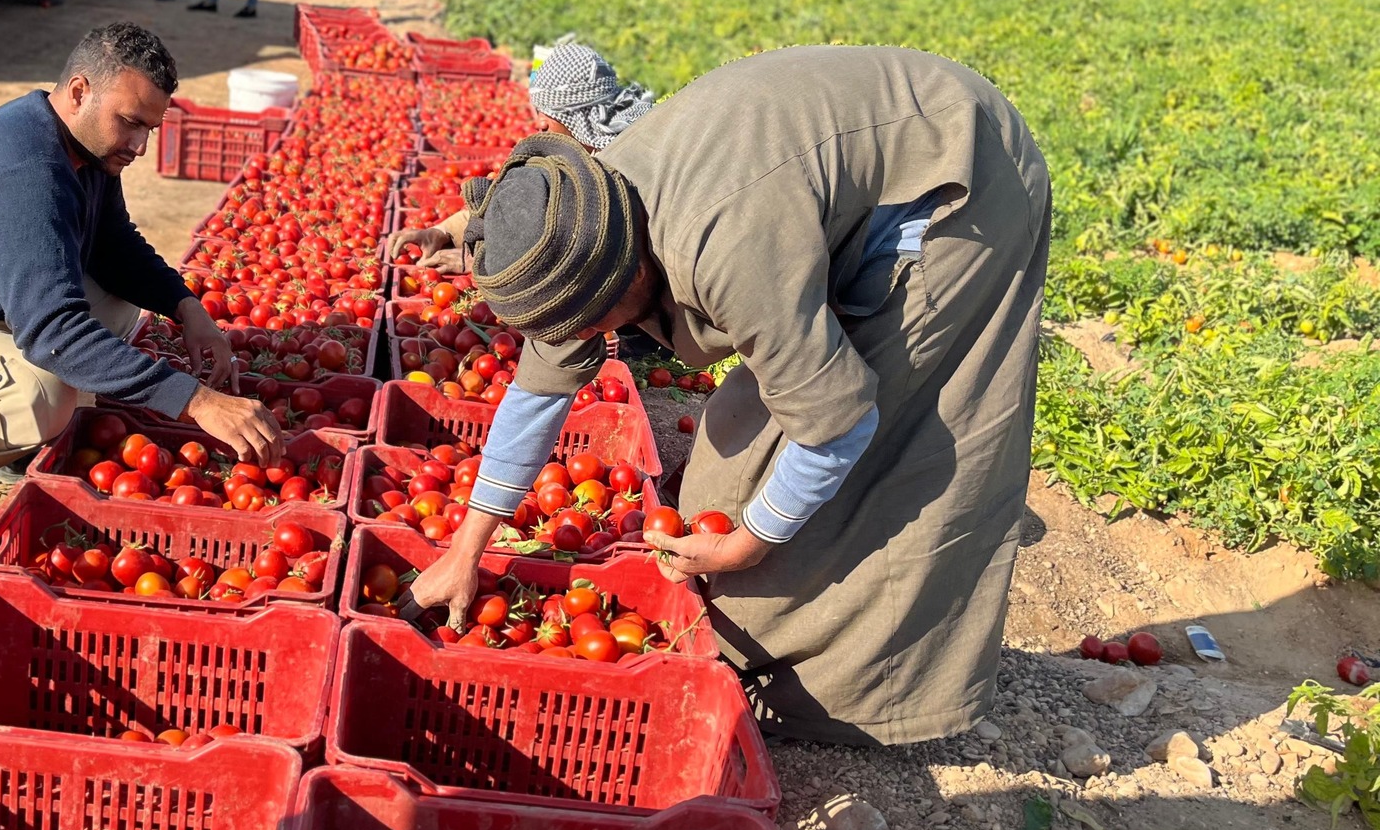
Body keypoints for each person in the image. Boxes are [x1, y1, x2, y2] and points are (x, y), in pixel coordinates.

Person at [406, 45, 1051, 747]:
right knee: (741, 459)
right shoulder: (587, 224)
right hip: (821, 170)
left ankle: (873, 697)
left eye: (597, 328)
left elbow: (839, 423)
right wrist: (469, 548)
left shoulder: (724, 250)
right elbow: (538, 394)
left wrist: (752, 542)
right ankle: (772, 635)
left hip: (957, 176)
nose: (587, 342)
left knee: (885, 439)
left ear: (625, 288)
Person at [0, 22, 283, 551]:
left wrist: (187, 308)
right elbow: (51, 332)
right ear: (80, 91)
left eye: (149, 129)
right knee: (46, 390)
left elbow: (114, 246)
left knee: (114, 301)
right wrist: (196, 401)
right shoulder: (27, 166)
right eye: (130, 123)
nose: (138, 145)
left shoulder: (81, 147)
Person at [392, 40, 654, 269]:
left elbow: (585, 252)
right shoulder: (571, 150)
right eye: (537, 111)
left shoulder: (622, 167)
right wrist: (444, 232)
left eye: (550, 113)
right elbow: (523, 209)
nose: (539, 124)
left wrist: (477, 261)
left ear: (580, 114)